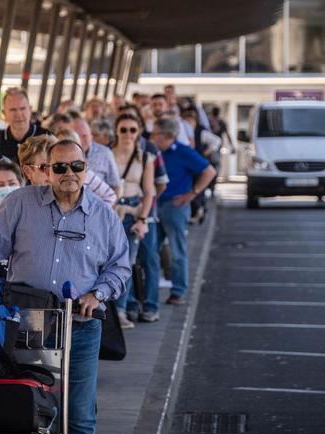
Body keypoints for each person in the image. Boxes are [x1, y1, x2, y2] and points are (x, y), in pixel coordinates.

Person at [0, 138, 130, 434]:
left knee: (79, 415)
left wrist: (97, 294)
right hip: (25, 324)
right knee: (25, 405)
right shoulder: (20, 203)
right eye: (60, 167)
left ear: (86, 169)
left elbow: (120, 266)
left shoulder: (104, 216)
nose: (69, 173)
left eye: (77, 166)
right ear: (48, 170)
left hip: (80, 328)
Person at [149, 118, 217, 305]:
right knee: (151, 251)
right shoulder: (154, 152)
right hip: (155, 205)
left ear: (168, 136)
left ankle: (178, 291)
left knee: (177, 250)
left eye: (156, 134)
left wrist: (193, 193)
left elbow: (209, 171)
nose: (152, 138)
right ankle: (149, 293)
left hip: (175, 206)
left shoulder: (183, 152)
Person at [111, 114, 157, 327]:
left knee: (126, 263)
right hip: (111, 211)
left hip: (133, 212)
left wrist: (142, 219)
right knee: (107, 263)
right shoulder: (107, 154)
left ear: (138, 132)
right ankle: (113, 309)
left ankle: (120, 310)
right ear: (116, 131)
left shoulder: (145, 158)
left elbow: (149, 192)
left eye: (132, 130)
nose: (128, 134)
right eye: (123, 129)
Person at [54, 114, 122, 194]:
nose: (82, 141)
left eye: (85, 136)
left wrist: (105, 206)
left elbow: (116, 186)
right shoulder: (60, 154)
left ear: (91, 135)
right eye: (78, 137)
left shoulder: (105, 153)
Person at [0, 88, 49, 163]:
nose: (18, 114)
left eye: (22, 108)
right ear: (4, 114)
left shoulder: (47, 138)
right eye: (13, 110)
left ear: (30, 110)